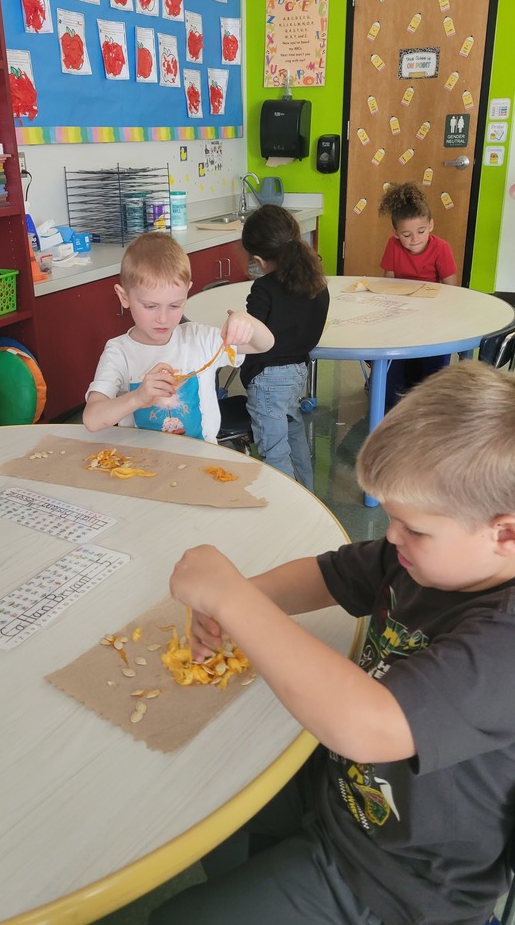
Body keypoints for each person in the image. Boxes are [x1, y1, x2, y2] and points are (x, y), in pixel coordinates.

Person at [151, 360, 515, 925]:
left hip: (400, 882)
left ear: (506, 532)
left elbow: (369, 724)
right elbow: (332, 573)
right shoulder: (421, 562)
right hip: (342, 795)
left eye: (414, 528)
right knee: (211, 804)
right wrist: (248, 599)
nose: (390, 536)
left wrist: (234, 601)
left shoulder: (506, 639)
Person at [83, 232, 274, 441]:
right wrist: (138, 397)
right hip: (143, 465)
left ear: (187, 292)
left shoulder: (200, 338)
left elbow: (264, 344)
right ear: (124, 297)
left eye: (175, 305)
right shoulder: (119, 352)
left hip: (200, 461)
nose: (163, 318)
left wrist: (248, 323)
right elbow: (92, 419)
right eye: (150, 306)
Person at [238, 205, 329, 491]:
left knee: (274, 451)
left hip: (268, 380)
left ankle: (288, 510)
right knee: (293, 432)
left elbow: (254, 340)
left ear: (259, 259)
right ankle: (308, 496)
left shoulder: (263, 289)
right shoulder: (317, 283)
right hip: (296, 374)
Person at [378, 181, 458, 406]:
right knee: (389, 348)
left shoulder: (441, 248)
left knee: (431, 362)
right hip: (402, 310)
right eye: (406, 234)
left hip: (431, 313)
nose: (414, 239)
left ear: (431, 225)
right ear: (395, 233)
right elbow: (388, 281)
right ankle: (392, 386)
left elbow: (451, 288)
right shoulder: (393, 246)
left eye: (421, 231)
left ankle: (424, 390)